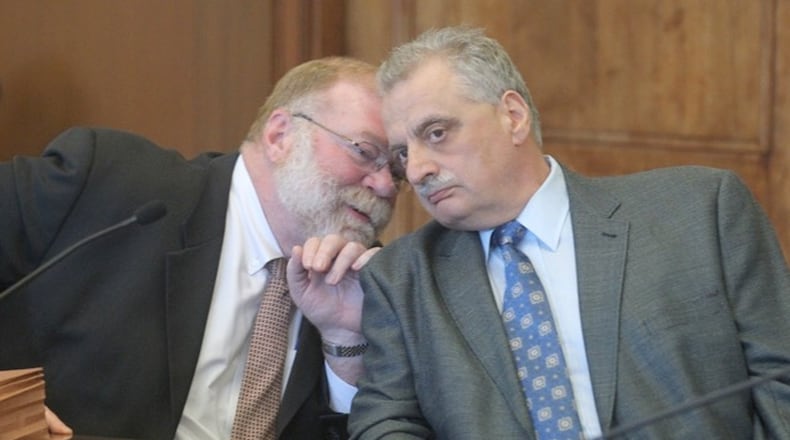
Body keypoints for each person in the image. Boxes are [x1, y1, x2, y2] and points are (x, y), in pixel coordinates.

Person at [349, 26, 790, 439]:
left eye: (437, 133)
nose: (418, 170)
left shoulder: (698, 211)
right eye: (403, 153)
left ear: (513, 116)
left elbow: (780, 379)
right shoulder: (402, 278)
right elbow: (385, 421)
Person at [0, 56, 402, 439]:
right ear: (280, 136)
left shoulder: (369, 288)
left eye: (397, 172)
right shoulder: (110, 185)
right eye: (364, 152)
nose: (385, 186)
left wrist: (344, 346)